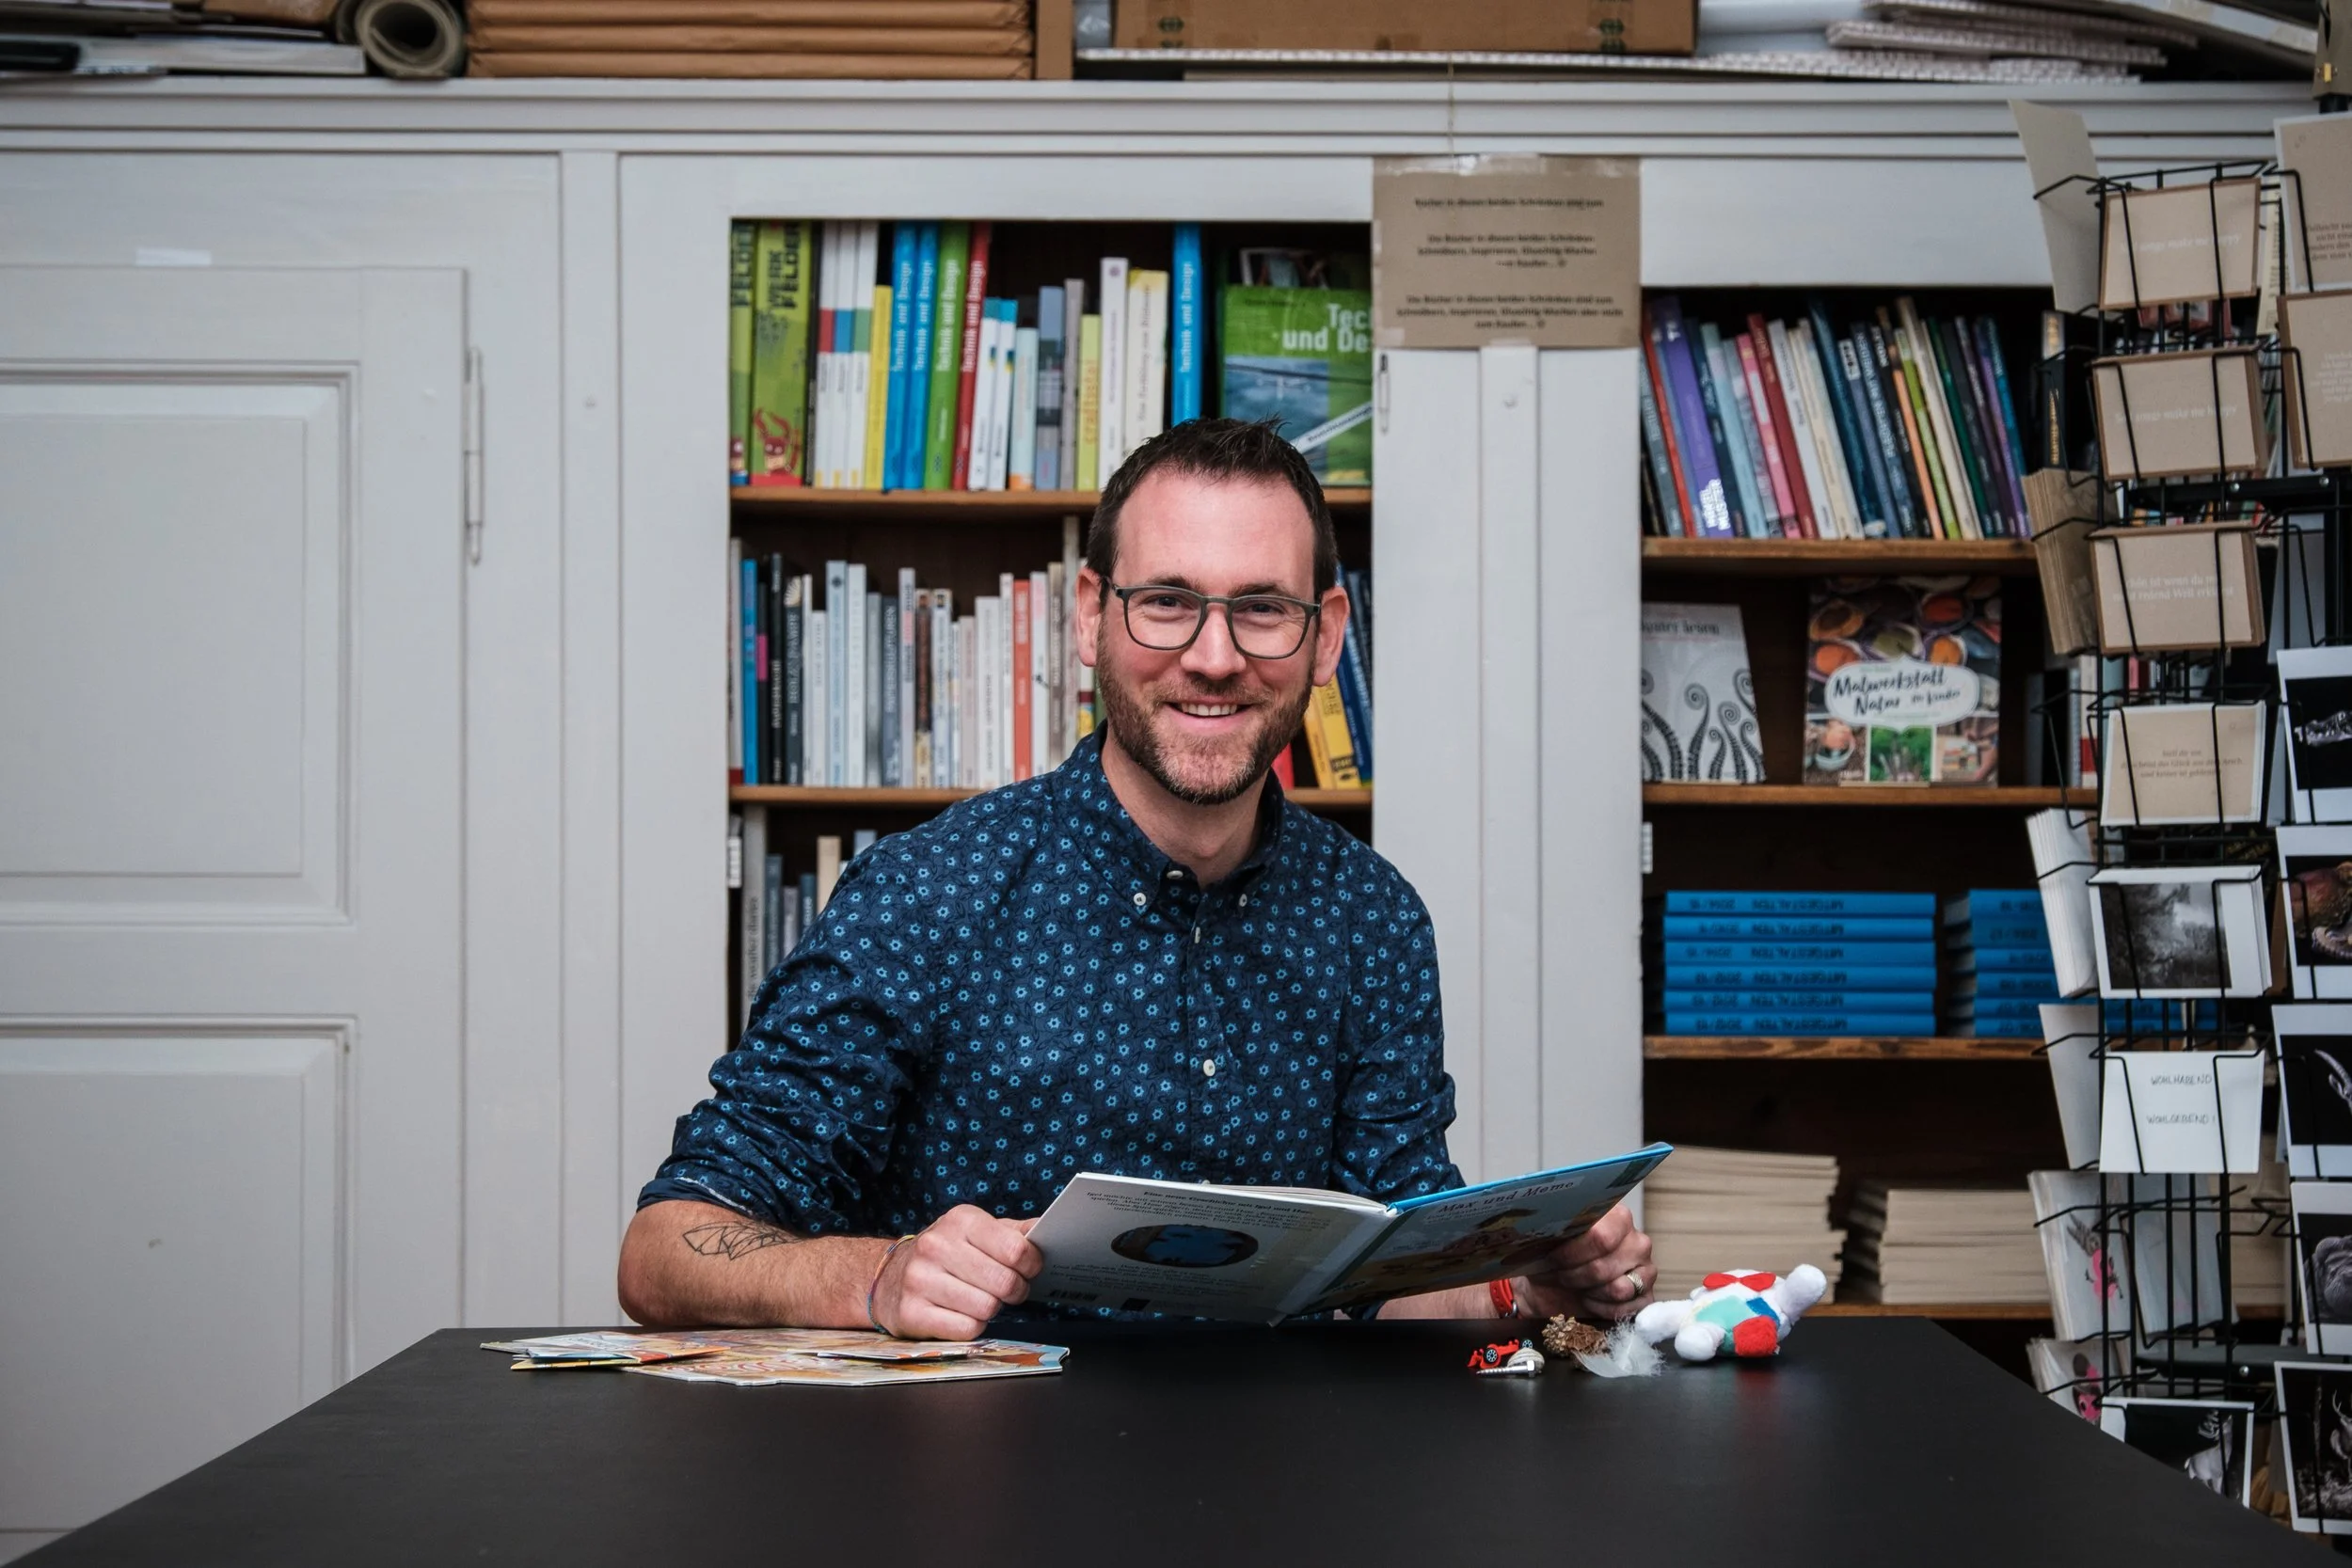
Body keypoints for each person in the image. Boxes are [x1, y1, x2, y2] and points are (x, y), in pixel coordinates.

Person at [617, 417, 1655, 1339]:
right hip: (976, 1498)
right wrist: (877, 1273)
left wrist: (1532, 1277)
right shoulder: (927, 892)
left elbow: (1391, 1275)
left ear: (1326, 633)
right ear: (1087, 615)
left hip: (1287, 1492)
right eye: (1166, 601)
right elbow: (664, 1249)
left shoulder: (1372, 918)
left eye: (1261, 608)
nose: (1213, 656)